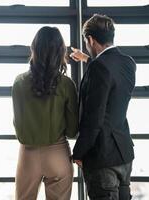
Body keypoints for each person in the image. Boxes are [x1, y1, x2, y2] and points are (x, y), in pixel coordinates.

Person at [71, 14, 136, 200]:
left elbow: (94, 118)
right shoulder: (128, 63)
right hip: (123, 153)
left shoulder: (98, 67)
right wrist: (87, 59)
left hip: (102, 156)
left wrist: (79, 152)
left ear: (90, 39)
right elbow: (110, 77)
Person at [12, 26, 78, 200]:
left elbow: (18, 125)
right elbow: (72, 130)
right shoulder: (67, 84)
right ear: (61, 52)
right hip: (58, 155)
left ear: (34, 49)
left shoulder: (19, 82)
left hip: (28, 156)